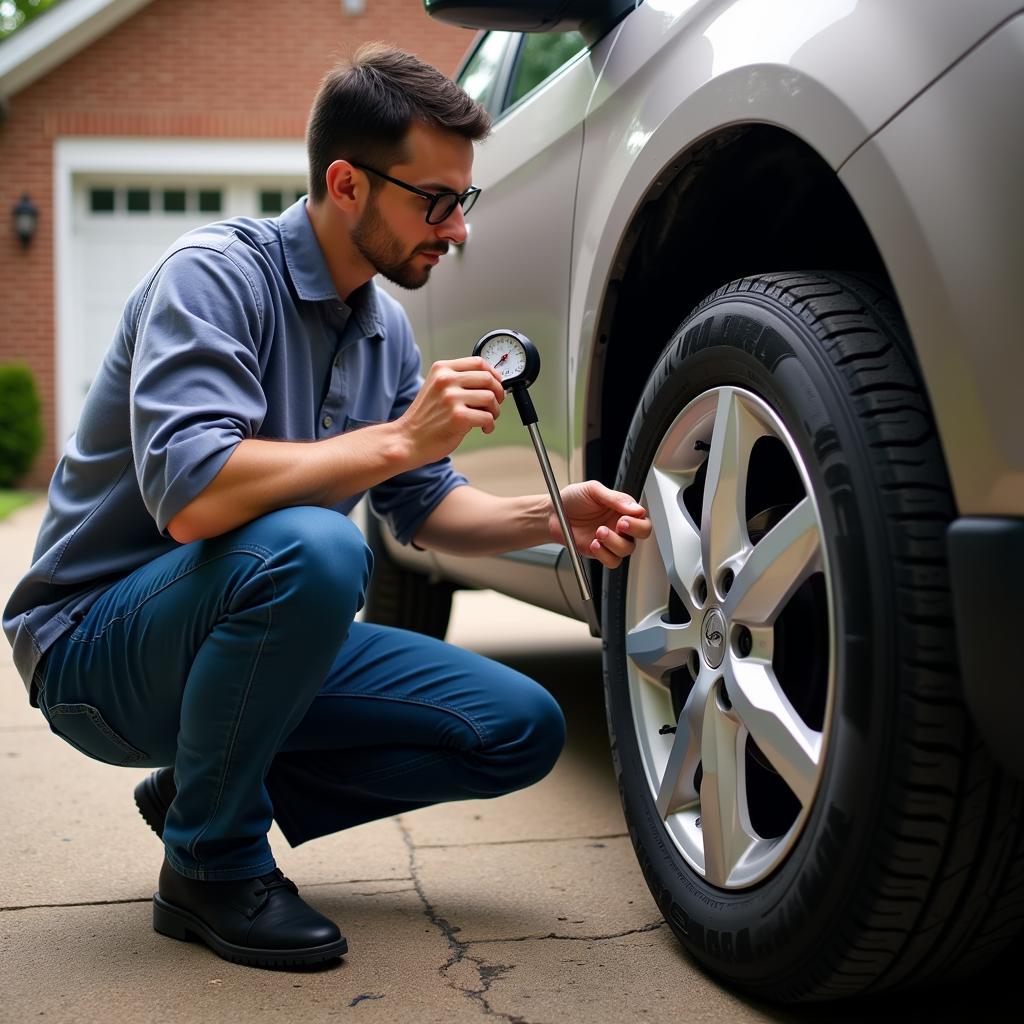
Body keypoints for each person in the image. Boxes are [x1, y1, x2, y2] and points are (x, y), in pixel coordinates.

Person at [3, 44, 650, 969]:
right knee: (316, 550)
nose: (457, 231)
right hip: (93, 650)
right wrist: (399, 439)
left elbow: (422, 508)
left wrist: (552, 518)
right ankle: (211, 863)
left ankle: (201, 789)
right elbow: (193, 496)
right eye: (435, 202)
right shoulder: (215, 277)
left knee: (518, 728)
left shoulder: (382, 328)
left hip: (240, 635)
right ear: (347, 184)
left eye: (462, 203)